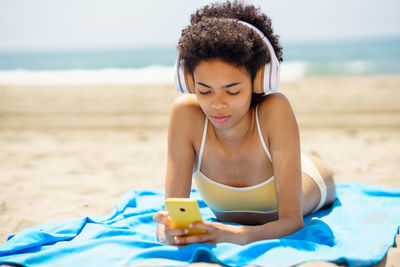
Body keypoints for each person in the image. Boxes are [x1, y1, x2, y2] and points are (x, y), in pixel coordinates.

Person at [153, 0, 336, 245]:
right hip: (278, 158)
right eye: (205, 91)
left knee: (310, 163)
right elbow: (170, 217)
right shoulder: (186, 114)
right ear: (188, 81)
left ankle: (309, 157)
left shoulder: (275, 109)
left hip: (312, 176)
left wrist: (230, 234)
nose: (217, 105)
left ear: (259, 81)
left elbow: (292, 221)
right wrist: (170, 232)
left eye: (232, 91)